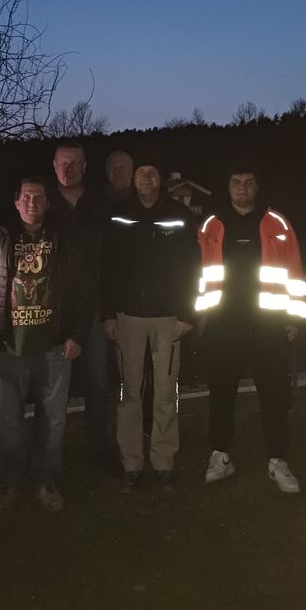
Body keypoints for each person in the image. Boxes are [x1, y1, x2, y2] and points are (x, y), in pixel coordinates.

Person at [0, 176, 90, 514]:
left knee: (53, 420)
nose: (32, 202)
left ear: (47, 202)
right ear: (16, 201)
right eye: (26, 196)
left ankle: (45, 480)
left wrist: (76, 336)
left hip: (55, 347)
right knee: (9, 419)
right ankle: (10, 483)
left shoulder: (65, 239)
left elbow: (83, 290)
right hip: (10, 347)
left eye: (39, 196)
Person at [196, 162, 306, 494]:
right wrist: (200, 315)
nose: (243, 187)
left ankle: (277, 459)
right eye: (236, 182)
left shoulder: (277, 223)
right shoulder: (211, 225)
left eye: (249, 182)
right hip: (223, 323)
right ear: (227, 187)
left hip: (269, 323)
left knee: (274, 393)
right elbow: (197, 273)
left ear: (257, 187)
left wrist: (295, 317)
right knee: (221, 391)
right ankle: (220, 455)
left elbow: (295, 271)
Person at [103, 155, 200, 491]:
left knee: (164, 395)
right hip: (127, 317)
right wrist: (108, 314)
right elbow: (108, 268)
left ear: (160, 178)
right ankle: (131, 462)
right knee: (130, 393)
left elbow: (194, 268)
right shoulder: (118, 214)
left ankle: (163, 462)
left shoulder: (180, 215)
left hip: (169, 318)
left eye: (152, 172)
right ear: (134, 178)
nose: (146, 177)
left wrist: (189, 313)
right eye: (141, 172)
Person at [51, 140, 117, 474]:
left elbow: (112, 260)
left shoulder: (100, 204)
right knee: (52, 385)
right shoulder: (43, 205)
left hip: (92, 307)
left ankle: (99, 449)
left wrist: (108, 311)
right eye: (63, 163)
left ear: (85, 167)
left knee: (97, 380)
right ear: (54, 166)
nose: (69, 169)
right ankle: (51, 456)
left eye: (75, 163)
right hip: (53, 310)